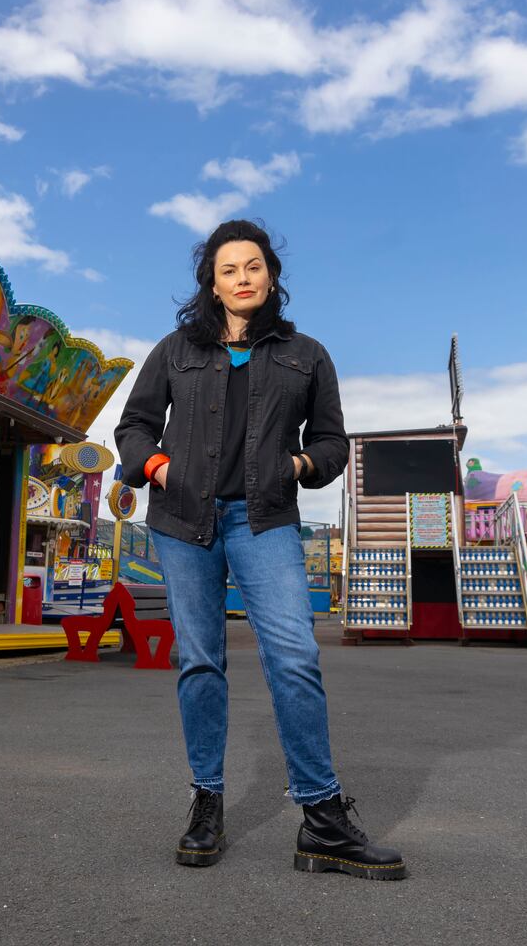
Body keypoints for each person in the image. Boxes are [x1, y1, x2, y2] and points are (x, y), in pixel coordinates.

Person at [115, 220, 406, 879]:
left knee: (296, 658)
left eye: (253, 266)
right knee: (199, 662)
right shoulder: (174, 351)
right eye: (228, 270)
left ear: (270, 275)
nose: (242, 277)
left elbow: (334, 443)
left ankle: (323, 820)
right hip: (182, 521)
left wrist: (298, 465)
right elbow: (133, 426)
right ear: (212, 285)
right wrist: (158, 467)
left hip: (265, 520)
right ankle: (206, 802)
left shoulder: (307, 354)